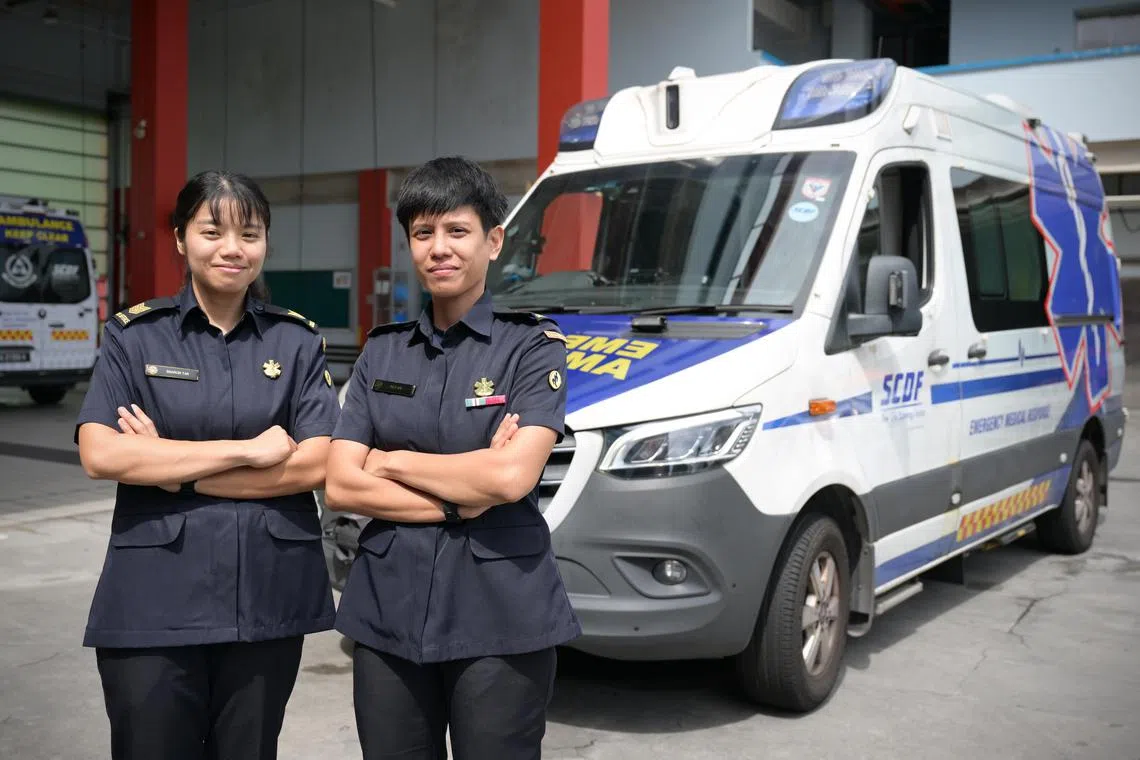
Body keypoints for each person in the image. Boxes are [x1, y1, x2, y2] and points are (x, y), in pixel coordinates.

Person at [74, 169, 339, 760]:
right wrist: (248, 450)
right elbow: (101, 453)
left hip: (267, 598)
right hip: (153, 600)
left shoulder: (296, 343)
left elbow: (317, 461)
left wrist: (165, 462)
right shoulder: (134, 338)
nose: (232, 249)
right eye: (212, 231)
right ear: (179, 238)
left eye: (249, 233)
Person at [324, 155, 580, 759]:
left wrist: (389, 462)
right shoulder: (382, 352)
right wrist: (461, 500)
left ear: (494, 241)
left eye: (457, 231)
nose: (439, 248)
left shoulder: (532, 348)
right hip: (388, 609)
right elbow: (339, 485)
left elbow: (512, 476)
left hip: (501, 614)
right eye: (422, 233)